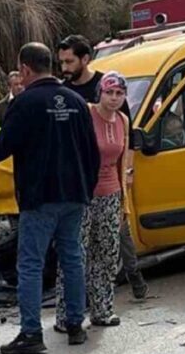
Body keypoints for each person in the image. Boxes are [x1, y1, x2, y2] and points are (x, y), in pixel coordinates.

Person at [0, 42, 100, 352]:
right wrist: (85, 189)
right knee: (72, 258)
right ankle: (76, 325)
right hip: (74, 195)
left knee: (30, 264)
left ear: (24, 69)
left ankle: (31, 333)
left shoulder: (24, 104)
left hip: (40, 198)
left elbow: (0, 149)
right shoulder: (77, 102)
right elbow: (93, 152)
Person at [55, 72, 129, 330]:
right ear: (100, 93)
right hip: (82, 194)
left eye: (119, 93)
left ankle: (103, 309)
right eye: (109, 92)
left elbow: (123, 163)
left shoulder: (123, 120)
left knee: (107, 254)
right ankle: (67, 315)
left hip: (111, 193)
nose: (114, 98)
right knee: (76, 254)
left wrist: (124, 203)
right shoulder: (85, 113)